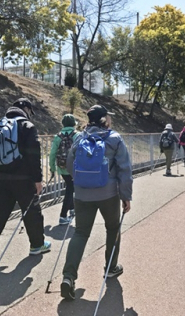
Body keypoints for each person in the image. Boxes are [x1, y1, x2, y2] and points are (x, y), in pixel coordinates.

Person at [60, 104, 133, 301]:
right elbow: (124, 168)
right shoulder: (114, 138)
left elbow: (69, 163)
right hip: (108, 194)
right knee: (112, 228)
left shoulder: (80, 138)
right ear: (104, 119)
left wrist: (80, 182)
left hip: (82, 194)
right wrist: (126, 196)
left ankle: (68, 277)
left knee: (81, 232)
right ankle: (111, 268)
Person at [0, 98, 51, 269]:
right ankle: (37, 245)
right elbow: (34, 154)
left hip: (0, 179)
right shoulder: (26, 127)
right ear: (25, 109)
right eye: (30, 111)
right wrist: (38, 179)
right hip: (23, 180)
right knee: (32, 212)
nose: (30, 115)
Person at [50, 114, 80, 225]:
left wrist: (52, 168)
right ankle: (63, 216)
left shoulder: (58, 136)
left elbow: (52, 153)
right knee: (70, 189)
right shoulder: (77, 135)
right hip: (74, 168)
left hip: (62, 167)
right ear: (74, 124)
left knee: (69, 186)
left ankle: (72, 210)